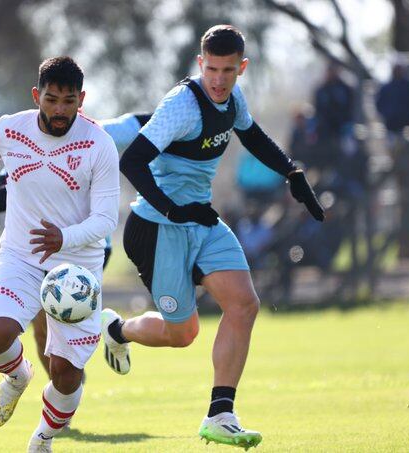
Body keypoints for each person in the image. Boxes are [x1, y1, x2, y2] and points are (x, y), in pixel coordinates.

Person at [102, 25, 323, 449]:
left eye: (228, 70)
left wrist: (291, 172)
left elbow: (253, 134)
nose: (219, 80)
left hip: (201, 221)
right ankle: (119, 330)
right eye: (212, 70)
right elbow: (132, 161)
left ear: (242, 67)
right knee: (182, 333)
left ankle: (221, 414)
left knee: (244, 303)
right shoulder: (181, 105)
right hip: (157, 227)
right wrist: (172, 208)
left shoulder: (233, 98)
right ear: (200, 64)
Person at [0, 56, 119, 453]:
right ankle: (18, 377)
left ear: (82, 99)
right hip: (21, 257)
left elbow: (107, 219)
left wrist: (65, 238)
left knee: (66, 375)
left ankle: (42, 438)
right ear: (37, 95)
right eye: (52, 99)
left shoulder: (99, 144)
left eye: (69, 101)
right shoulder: (8, 129)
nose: (60, 110)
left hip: (77, 270)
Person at [0, 112, 151, 378]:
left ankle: (101, 334)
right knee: (44, 330)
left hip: (88, 247)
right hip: (43, 251)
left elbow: (145, 122)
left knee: (56, 323)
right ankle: (69, 391)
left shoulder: (100, 133)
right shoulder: (24, 147)